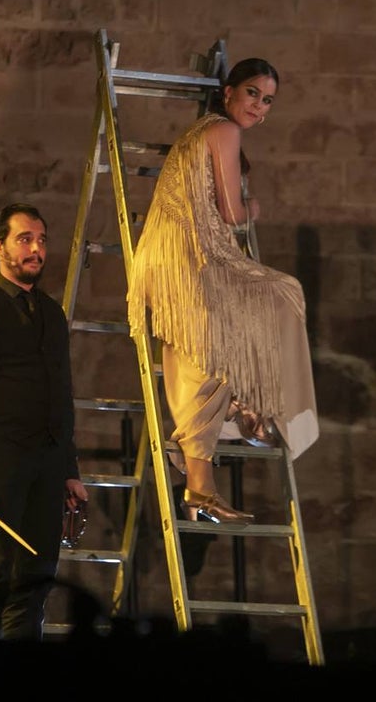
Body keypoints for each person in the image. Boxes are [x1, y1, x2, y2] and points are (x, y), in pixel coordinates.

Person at [126, 57, 319, 525]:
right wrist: (253, 207)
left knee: (206, 357)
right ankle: (258, 408)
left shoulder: (201, 133)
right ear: (228, 91)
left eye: (268, 99)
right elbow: (232, 215)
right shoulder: (224, 132)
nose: (259, 105)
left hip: (168, 258)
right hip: (190, 258)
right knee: (282, 292)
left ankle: (200, 485)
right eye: (253, 92)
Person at [0, 202, 89, 640]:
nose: (36, 249)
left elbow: (60, 396)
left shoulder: (51, 313)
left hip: (45, 463)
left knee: (36, 579)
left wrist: (70, 470)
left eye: (41, 240)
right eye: (24, 239)